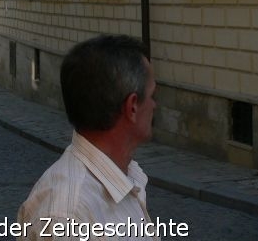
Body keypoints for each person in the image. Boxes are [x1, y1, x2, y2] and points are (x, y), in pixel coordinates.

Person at [17, 34, 158, 240]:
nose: (155, 105)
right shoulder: (68, 216)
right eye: (153, 95)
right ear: (132, 106)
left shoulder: (125, 175)